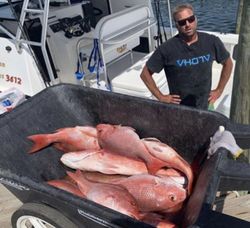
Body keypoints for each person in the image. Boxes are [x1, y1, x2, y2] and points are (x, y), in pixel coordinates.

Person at [140, 3, 233, 109]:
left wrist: (219, 90)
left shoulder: (211, 41)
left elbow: (228, 63)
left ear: (196, 19)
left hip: (206, 104)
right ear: (177, 25)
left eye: (191, 19)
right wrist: (161, 97)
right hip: (179, 108)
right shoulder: (166, 48)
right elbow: (145, 73)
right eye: (182, 22)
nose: (188, 24)